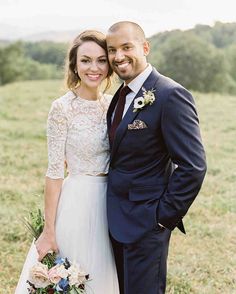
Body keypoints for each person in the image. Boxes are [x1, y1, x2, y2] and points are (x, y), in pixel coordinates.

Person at [106, 21, 207, 294]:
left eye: (127, 47)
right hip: (113, 220)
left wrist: (162, 219)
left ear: (145, 47)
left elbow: (193, 166)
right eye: (112, 50)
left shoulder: (169, 94)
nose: (118, 56)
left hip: (146, 224)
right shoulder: (121, 94)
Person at [15, 30, 119, 294]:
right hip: (77, 203)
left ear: (109, 65)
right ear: (74, 65)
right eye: (85, 60)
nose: (93, 68)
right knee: (73, 277)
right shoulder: (62, 108)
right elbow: (53, 173)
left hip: (114, 203)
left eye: (100, 60)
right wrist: (49, 231)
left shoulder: (114, 105)